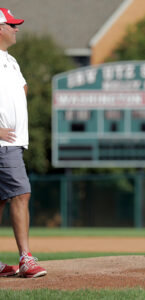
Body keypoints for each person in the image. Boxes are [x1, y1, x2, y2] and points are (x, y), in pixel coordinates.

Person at [0, 8, 47, 277]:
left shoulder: (11, 61)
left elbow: (23, 89)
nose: (16, 29)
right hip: (3, 145)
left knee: (2, 201)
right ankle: (26, 259)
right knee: (21, 194)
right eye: (12, 25)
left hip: (13, 143)